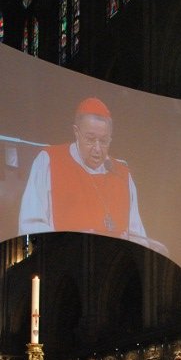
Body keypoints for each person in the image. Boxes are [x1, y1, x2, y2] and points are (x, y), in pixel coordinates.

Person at [18, 97, 165, 253]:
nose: (97, 149)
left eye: (103, 141)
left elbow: (136, 234)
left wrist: (143, 246)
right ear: (76, 132)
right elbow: (32, 224)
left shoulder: (121, 174)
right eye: (90, 139)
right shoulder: (49, 161)